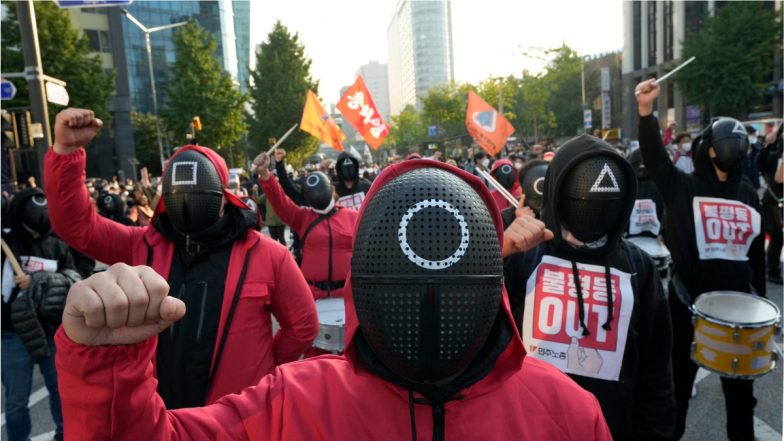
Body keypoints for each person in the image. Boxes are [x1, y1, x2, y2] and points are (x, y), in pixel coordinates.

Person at [54, 160, 613, 441]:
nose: (426, 300)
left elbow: (297, 326)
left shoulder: (567, 413)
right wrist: (107, 368)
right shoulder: (291, 405)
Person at [44, 108, 318, 408]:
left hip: (236, 421)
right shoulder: (144, 245)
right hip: (160, 415)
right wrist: (67, 153)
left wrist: (263, 369)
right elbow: (77, 226)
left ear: (223, 196)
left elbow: (303, 325)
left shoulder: (267, 254)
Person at [502, 134, 676, 440]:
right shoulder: (522, 257)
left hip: (611, 428)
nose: (592, 208)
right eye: (580, 196)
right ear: (559, 191)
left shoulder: (639, 268)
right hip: (528, 428)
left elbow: (656, 370)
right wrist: (497, 252)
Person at [635, 79, 766, 441]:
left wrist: (762, 304)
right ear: (710, 150)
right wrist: (646, 113)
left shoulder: (747, 195)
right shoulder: (683, 187)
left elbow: (755, 257)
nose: (736, 149)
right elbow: (655, 158)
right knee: (676, 393)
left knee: (741, 399)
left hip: (739, 312)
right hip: (686, 305)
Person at [2, 189, 81, 441]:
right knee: (16, 401)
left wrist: (38, 280)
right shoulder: (7, 245)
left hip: (51, 332)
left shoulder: (58, 244)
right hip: (13, 334)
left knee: (61, 393)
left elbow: (75, 278)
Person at [253, 149, 358, 302]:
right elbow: (280, 201)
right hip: (313, 295)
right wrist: (265, 174)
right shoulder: (303, 218)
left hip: (349, 296)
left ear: (332, 190)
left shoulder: (353, 217)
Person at [758, 125, 783, 284]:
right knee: (777, 237)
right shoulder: (773, 155)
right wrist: (767, 143)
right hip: (773, 201)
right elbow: (779, 179)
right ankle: (772, 271)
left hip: (776, 201)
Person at [625, 148, 665, 239]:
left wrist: (663, 232)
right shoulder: (626, 185)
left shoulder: (661, 185)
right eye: (637, 164)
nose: (641, 167)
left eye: (644, 164)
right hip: (629, 239)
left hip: (657, 239)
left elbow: (667, 212)